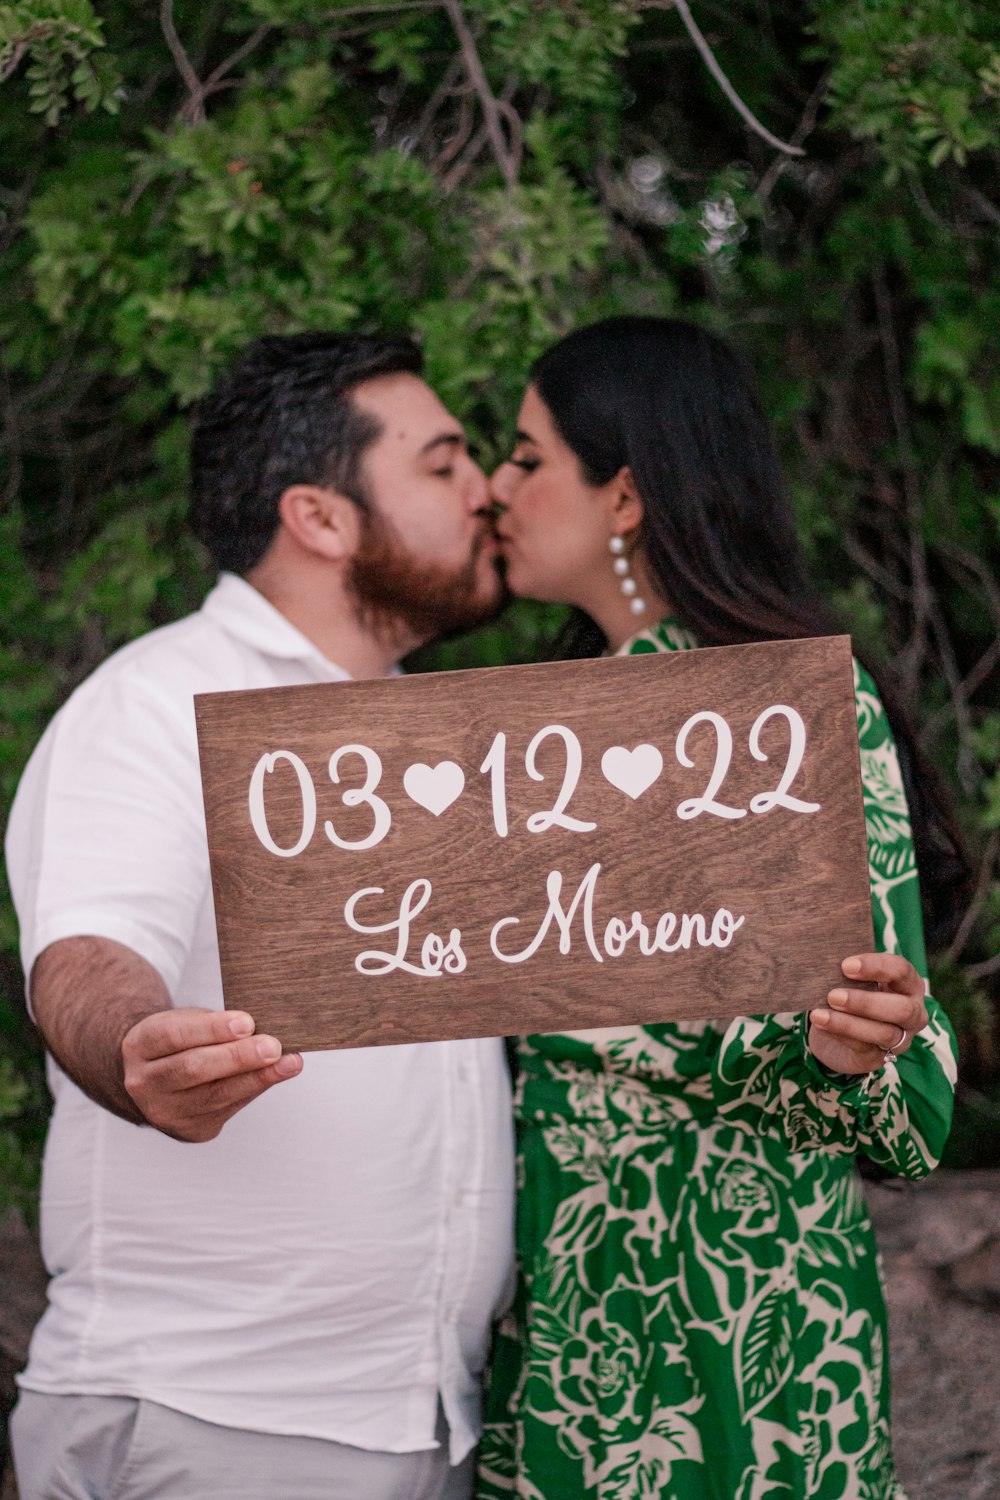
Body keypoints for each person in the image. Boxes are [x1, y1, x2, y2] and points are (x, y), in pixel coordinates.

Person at [5, 331, 516, 1500]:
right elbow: (86, 956)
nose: (484, 488)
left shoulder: (435, 738)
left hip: (421, 1420)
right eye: (442, 465)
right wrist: (138, 1050)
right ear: (321, 518)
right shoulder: (153, 702)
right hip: (214, 1419)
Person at [476, 316, 964, 1500]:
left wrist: (860, 1041)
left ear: (625, 496)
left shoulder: (786, 715)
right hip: (563, 1323)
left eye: (529, 458)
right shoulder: (515, 738)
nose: (497, 486)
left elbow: (911, 1095)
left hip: (742, 1318)